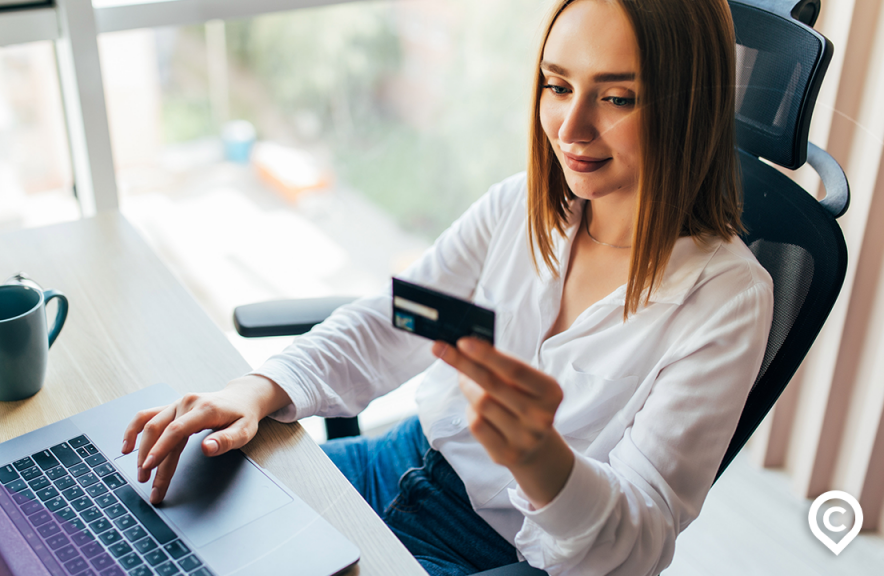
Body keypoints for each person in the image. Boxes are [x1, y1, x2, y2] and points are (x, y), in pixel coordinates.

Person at [122, 0, 773, 574]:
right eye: (556, 85)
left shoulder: (725, 301)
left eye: (617, 97)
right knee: (171, 523)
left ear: (690, 103)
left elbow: (637, 542)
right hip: (402, 460)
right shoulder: (518, 209)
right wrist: (256, 388)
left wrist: (543, 461)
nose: (570, 129)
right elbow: (397, 318)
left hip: (497, 550)